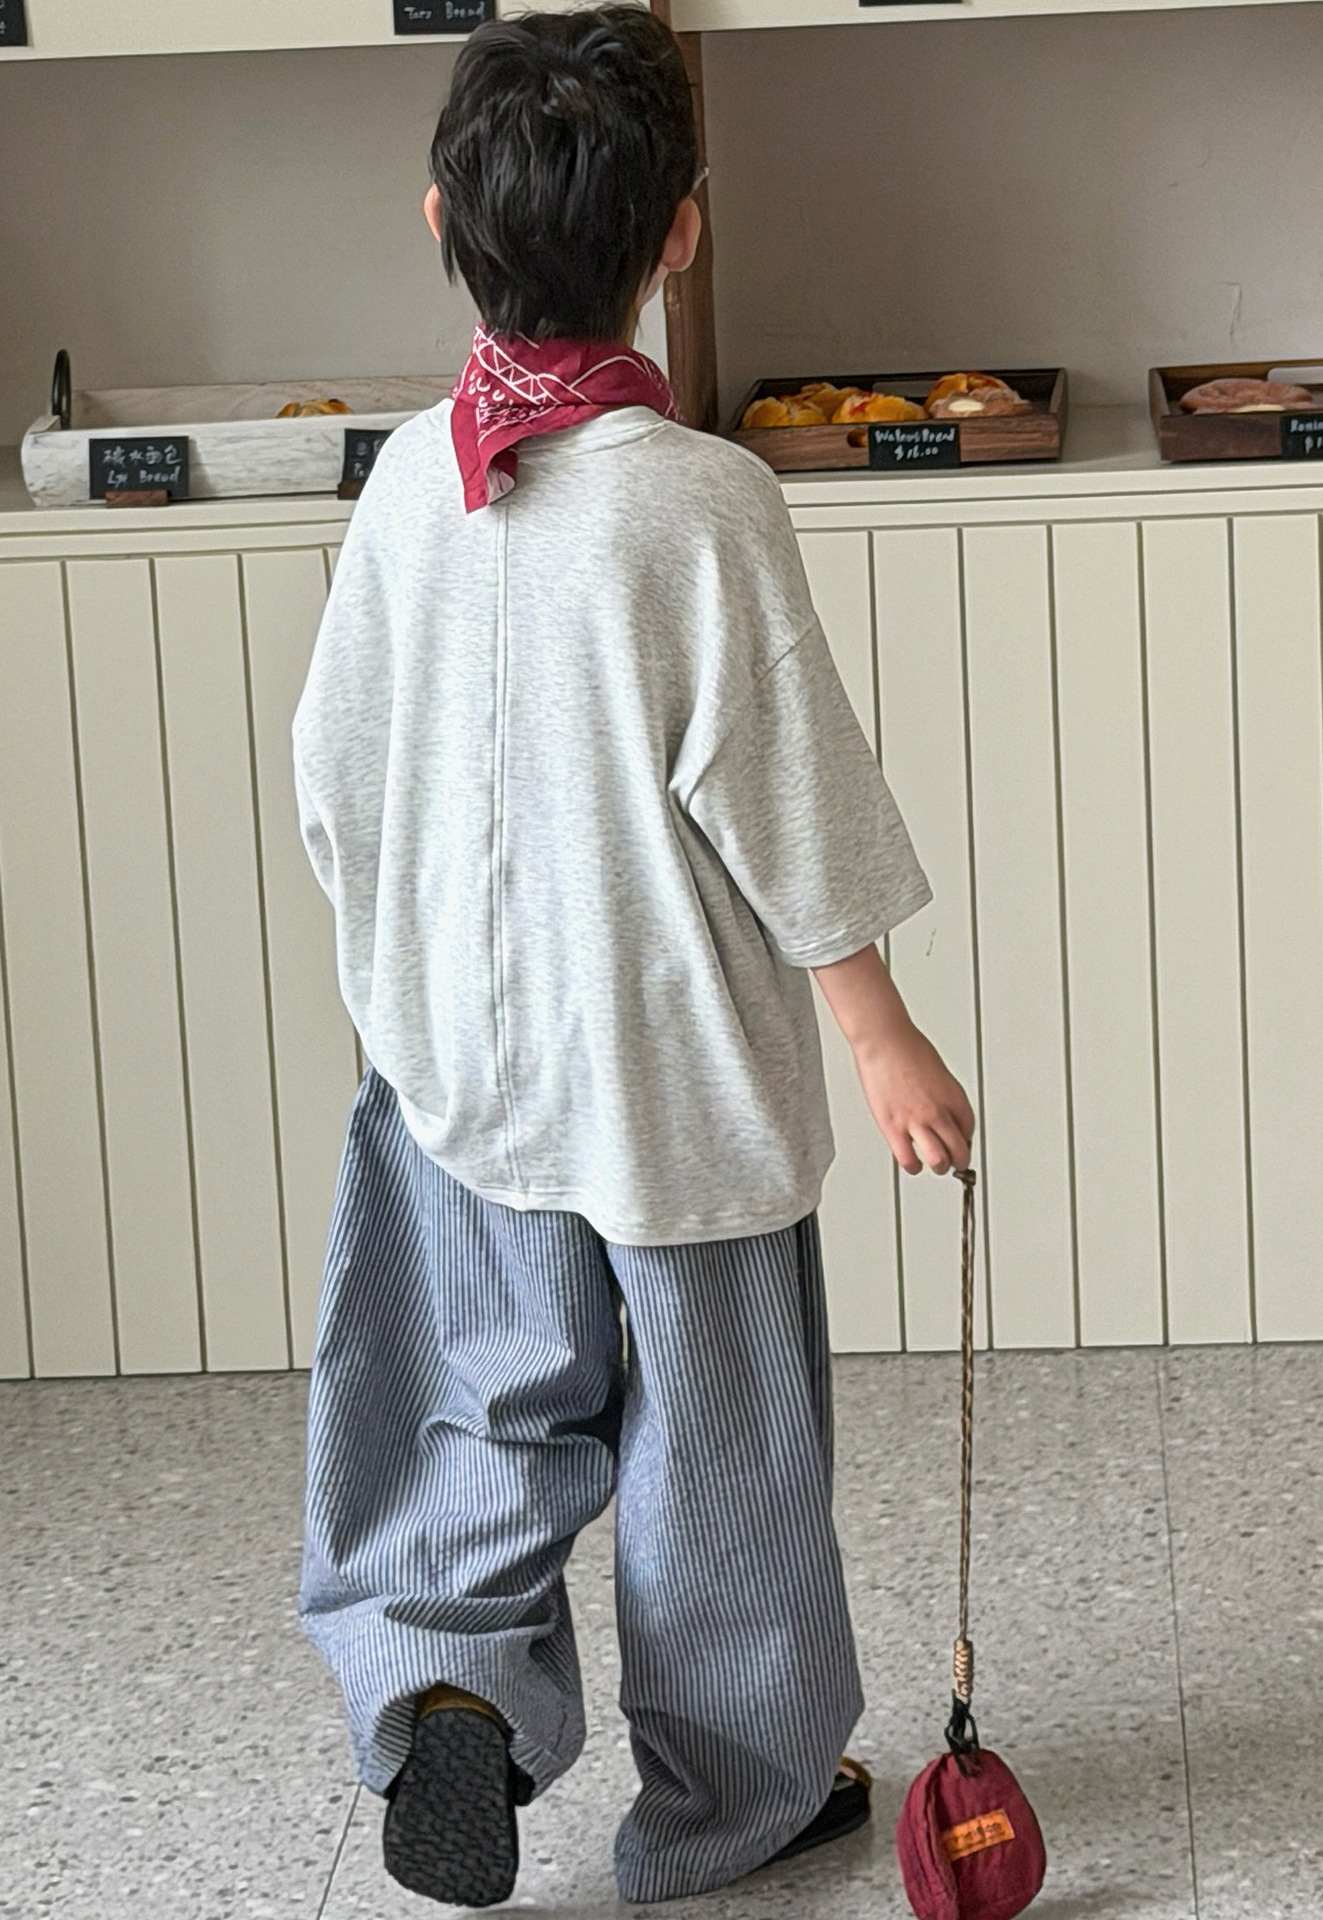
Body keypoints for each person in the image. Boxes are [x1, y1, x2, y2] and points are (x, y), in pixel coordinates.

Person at [291, 5, 975, 1907]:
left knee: (481, 1402)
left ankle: (446, 1689)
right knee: (718, 1454)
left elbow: (335, 777)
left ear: (439, 218)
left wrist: (410, 984)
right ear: (682, 230)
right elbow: (787, 796)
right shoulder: (699, 502)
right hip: (675, 1084)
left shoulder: (407, 485)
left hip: (461, 1068)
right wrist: (884, 1037)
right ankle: (738, 1801)